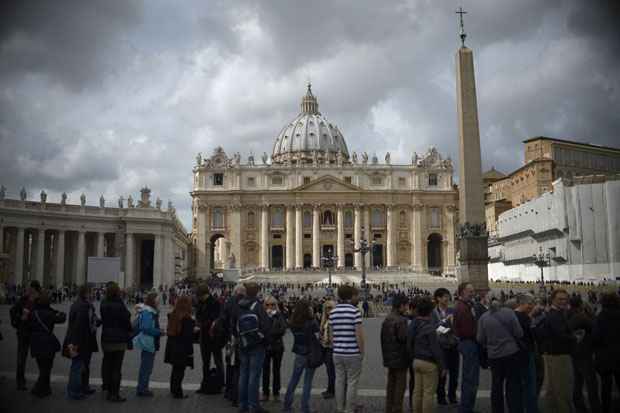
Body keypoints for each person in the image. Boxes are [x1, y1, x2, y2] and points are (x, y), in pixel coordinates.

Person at [477, 298, 524, 413]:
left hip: (494, 356)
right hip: (511, 353)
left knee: (496, 385)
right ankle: (515, 409)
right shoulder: (509, 313)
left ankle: (497, 410)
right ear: (501, 305)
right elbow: (519, 333)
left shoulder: (483, 318)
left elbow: (480, 339)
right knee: (513, 384)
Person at [329, 285, 364, 413]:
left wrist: (336, 348)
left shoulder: (333, 312)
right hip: (353, 352)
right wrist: (362, 352)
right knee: (352, 382)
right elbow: (359, 335)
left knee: (339, 380)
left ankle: (339, 408)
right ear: (351, 296)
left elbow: (332, 335)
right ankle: (349, 409)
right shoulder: (355, 311)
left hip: (337, 352)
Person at [237, 282, 270, 413]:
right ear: (256, 292)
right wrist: (265, 341)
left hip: (243, 344)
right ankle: (253, 406)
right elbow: (266, 326)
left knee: (243, 374)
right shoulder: (258, 306)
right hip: (257, 345)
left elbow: (233, 323)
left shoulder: (238, 305)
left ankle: (242, 404)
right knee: (254, 376)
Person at [409, 296, 445, 413]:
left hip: (416, 361)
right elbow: (435, 350)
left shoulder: (413, 324)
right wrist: (442, 366)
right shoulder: (430, 327)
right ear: (430, 312)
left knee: (417, 392)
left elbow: (409, 342)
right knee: (428, 393)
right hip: (429, 363)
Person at [282, 300, 319, 413]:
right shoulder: (311, 322)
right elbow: (318, 335)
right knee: (307, 382)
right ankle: (305, 408)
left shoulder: (293, 323)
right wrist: (314, 317)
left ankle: (287, 406)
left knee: (294, 379)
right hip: (310, 353)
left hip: (299, 352)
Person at [542, 289, 576, 413]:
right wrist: (575, 337)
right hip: (559, 357)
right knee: (563, 391)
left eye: (565, 299)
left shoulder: (555, 313)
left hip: (554, 355)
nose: (563, 301)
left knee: (553, 391)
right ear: (553, 300)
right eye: (560, 299)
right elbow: (560, 335)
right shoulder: (555, 315)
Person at [65, 285, 100, 400]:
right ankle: (74, 391)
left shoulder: (79, 304)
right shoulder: (84, 306)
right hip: (80, 341)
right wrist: (75, 344)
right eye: (91, 292)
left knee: (84, 365)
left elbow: (91, 321)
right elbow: (79, 326)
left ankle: (84, 386)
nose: (93, 294)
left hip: (83, 341)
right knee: (77, 366)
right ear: (86, 293)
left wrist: (97, 321)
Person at [28, 291, 65, 398]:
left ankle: (46, 388)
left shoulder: (33, 313)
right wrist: (57, 311)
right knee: (46, 368)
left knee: (42, 367)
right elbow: (62, 318)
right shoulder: (49, 314)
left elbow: (29, 325)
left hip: (35, 342)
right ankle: (38, 388)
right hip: (47, 343)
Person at [567, 295, 601, 412]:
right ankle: (595, 408)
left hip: (574, 352)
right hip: (585, 353)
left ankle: (579, 406)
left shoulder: (567, 314)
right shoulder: (582, 317)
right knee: (591, 384)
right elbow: (595, 330)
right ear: (581, 304)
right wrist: (590, 314)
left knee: (578, 381)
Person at [100, 282, 132, 402]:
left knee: (107, 364)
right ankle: (114, 394)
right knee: (116, 368)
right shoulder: (119, 305)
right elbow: (126, 319)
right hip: (118, 339)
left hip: (106, 338)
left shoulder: (103, 303)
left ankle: (107, 387)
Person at [453, 282, 480, 413]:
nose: (473, 293)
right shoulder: (462, 308)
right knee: (470, 378)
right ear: (463, 292)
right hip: (469, 343)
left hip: (467, 343)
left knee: (470, 377)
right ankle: (466, 408)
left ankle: (467, 407)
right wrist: (478, 335)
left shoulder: (465, 306)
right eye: (470, 291)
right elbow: (467, 330)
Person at [10, 280, 41, 391]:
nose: (28, 290)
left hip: (35, 334)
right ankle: (20, 382)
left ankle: (41, 381)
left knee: (41, 358)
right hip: (23, 333)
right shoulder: (22, 300)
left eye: (30, 289)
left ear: (35, 290)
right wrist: (19, 319)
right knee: (21, 358)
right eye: (28, 289)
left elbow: (46, 312)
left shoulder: (39, 301)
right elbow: (13, 311)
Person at [381, 294, 409, 413]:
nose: (407, 308)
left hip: (389, 357)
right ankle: (397, 409)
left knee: (391, 385)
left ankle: (389, 408)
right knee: (400, 387)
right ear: (401, 305)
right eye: (406, 305)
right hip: (400, 358)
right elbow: (404, 338)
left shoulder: (387, 318)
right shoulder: (401, 320)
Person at [592, 292, 620, 413]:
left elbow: (596, 337)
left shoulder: (600, 316)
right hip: (619, 356)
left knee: (606, 387)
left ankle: (606, 409)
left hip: (604, 358)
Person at [164, 295, 196, 399]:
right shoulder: (186, 319)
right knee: (180, 372)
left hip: (172, 347)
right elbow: (187, 337)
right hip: (181, 349)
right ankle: (178, 392)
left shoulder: (173, 315)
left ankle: (173, 389)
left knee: (175, 370)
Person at [432, 288, 459, 405]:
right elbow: (434, 330)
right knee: (442, 373)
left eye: (448, 296)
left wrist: (452, 327)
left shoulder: (452, 310)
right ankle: (441, 396)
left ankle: (452, 395)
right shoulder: (433, 313)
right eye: (444, 296)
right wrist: (445, 323)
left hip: (453, 345)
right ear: (438, 298)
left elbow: (457, 328)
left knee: (454, 373)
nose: (447, 298)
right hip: (440, 347)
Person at [133, 292, 163, 397]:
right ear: (152, 300)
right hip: (148, 342)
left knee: (147, 367)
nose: (159, 301)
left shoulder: (149, 311)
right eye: (157, 299)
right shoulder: (148, 312)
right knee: (146, 367)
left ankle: (143, 387)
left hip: (149, 341)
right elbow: (146, 328)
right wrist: (159, 332)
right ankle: (142, 389)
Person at [196, 285, 224, 394]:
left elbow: (216, 319)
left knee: (218, 361)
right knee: (205, 362)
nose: (198, 298)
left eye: (199, 296)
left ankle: (221, 384)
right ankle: (205, 385)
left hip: (214, 337)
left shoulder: (215, 303)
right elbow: (198, 315)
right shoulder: (200, 303)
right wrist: (199, 321)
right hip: (204, 337)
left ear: (203, 294)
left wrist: (202, 324)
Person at [514, 293, 539, 413]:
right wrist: (531, 317)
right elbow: (531, 334)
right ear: (523, 303)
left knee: (521, 384)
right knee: (530, 384)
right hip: (526, 353)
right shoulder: (525, 317)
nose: (532, 306)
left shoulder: (513, 315)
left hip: (517, 354)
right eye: (530, 303)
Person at [262, 295, 287, 402]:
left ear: (276, 305)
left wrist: (269, 334)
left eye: (272, 304)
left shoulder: (279, 315)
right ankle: (265, 393)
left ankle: (276, 393)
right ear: (264, 305)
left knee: (276, 371)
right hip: (266, 347)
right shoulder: (262, 315)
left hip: (277, 347)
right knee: (265, 371)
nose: (270, 306)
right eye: (267, 304)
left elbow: (283, 329)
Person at [320, 299, 336, 399]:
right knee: (329, 370)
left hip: (332, 348)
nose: (328, 310)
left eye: (330, 307)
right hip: (325, 348)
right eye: (326, 308)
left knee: (332, 371)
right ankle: (330, 389)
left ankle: (332, 390)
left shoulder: (335, 319)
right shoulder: (324, 320)